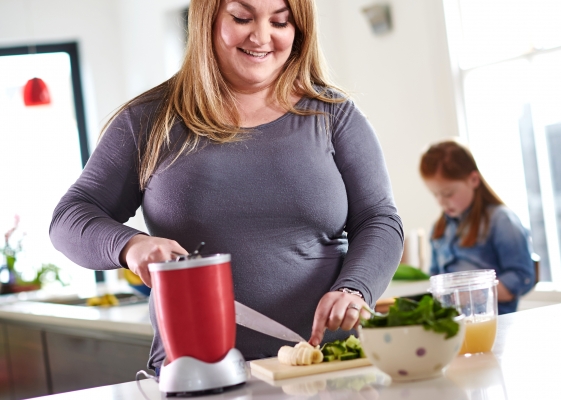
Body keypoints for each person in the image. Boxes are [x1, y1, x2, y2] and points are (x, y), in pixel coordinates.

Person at [49, 0, 404, 371]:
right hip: (197, 374)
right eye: (242, 18)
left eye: (280, 22)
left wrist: (355, 287)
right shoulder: (149, 119)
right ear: (208, 19)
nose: (262, 36)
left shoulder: (334, 114)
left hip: (327, 367)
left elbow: (379, 219)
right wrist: (130, 246)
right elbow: (69, 219)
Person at [419, 140, 535, 314]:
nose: (441, 202)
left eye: (448, 193)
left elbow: (521, 277)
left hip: (493, 320)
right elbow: (435, 277)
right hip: (454, 324)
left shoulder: (501, 221)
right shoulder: (439, 228)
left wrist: (472, 293)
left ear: (473, 179)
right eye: (435, 194)